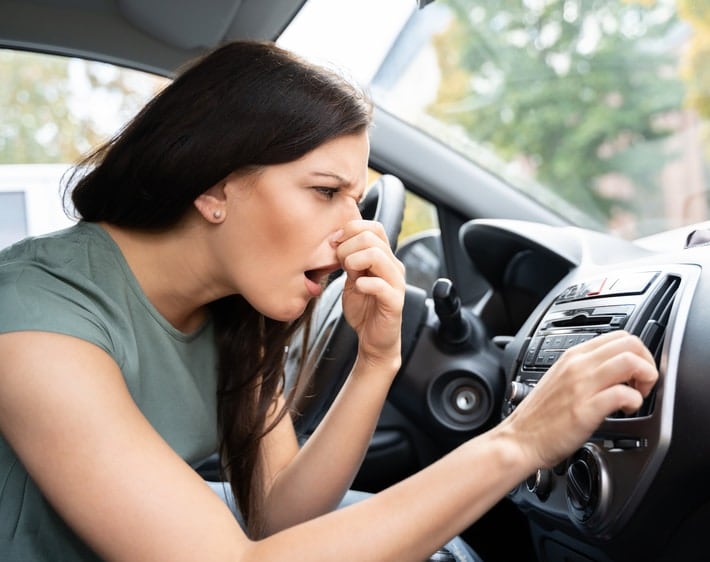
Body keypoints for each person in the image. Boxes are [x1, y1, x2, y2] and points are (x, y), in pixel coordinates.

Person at [0, 40, 658, 562]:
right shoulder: (38, 326)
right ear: (214, 188)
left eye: (357, 197)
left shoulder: (232, 309)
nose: (356, 231)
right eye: (324, 191)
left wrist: (377, 359)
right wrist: (519, 442)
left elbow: (279, 516)